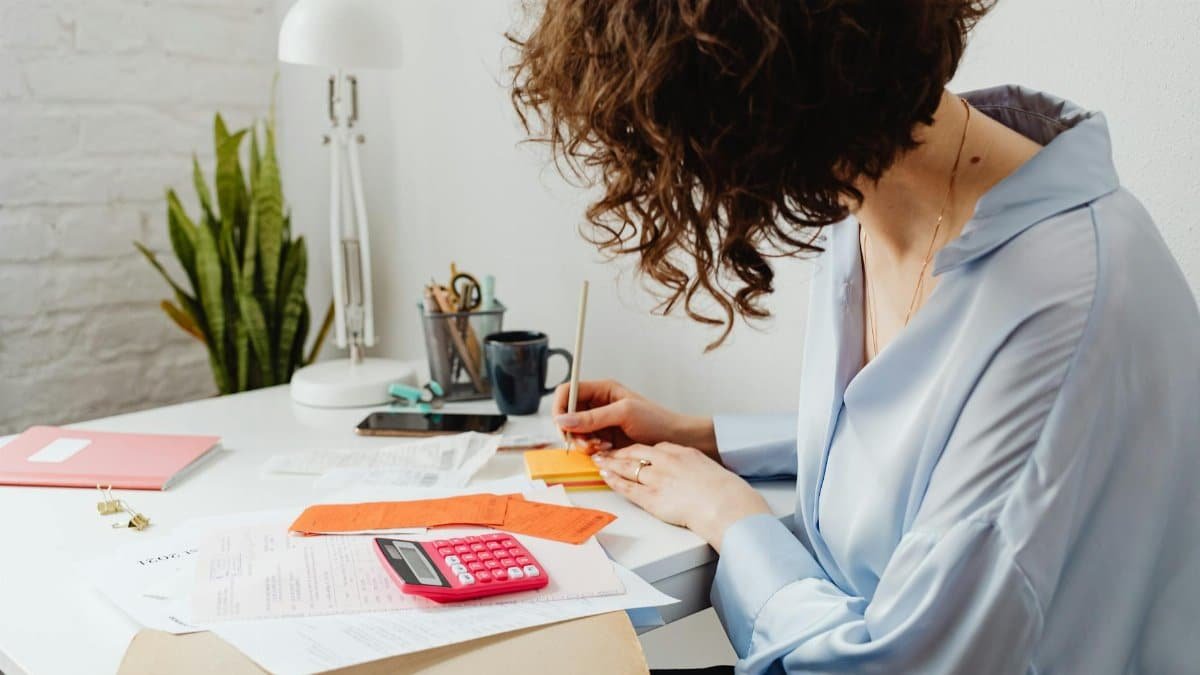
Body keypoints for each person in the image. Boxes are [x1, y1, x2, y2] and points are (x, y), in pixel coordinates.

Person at [509, 1, 1200, 673]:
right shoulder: (865, 200)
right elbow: (925, 446)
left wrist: (728, 514)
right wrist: (704, 435)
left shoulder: (1060, 306)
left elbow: (904, 660)